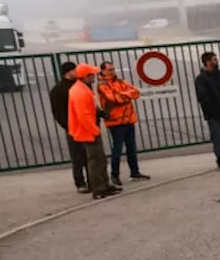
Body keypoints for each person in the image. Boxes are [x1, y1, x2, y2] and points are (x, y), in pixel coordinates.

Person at [68, 64, 117, 199]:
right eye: (92, 75)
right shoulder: (80, 92)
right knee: (95, 160)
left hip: (88, 130)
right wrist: (94, 130)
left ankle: (105, 185)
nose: (94, 77)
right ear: (86, 76)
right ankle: (99, 188)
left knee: (100, 159)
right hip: (87, 132)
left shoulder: (81, 89)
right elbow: (83, 115)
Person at [97, 61, 151, 186]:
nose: (112, 72)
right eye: (109, 70)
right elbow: (115, 99)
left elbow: (136, 92)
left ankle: (134, 171)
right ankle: (114, 174)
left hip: (128, 119)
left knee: (131, 147)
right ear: (103, 71)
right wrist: (127, 96)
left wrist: (123, 95)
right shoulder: (102, 86)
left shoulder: (120, 82)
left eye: (113, 69)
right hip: (115, 121)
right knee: (117, 149)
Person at [49, 60, 90, 193]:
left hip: (85, 125)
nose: (77, 72)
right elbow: (57, 111)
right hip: (72, 127)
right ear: (68, 72)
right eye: (74, 70)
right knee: (77, 156)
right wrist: (67, 126)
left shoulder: (82, 85)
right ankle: (80, 183)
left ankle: (92, 180)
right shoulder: (58, 90)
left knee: (89, 155)